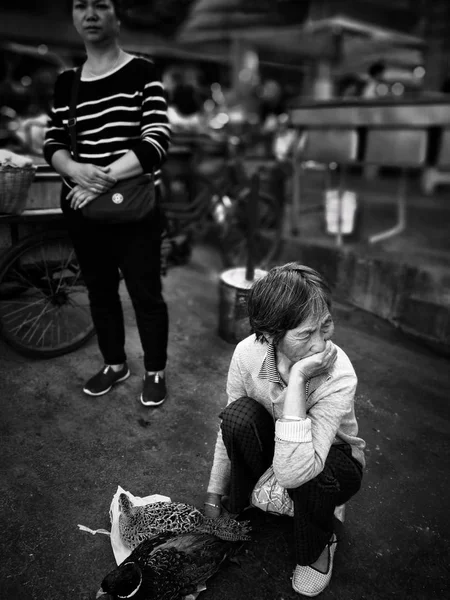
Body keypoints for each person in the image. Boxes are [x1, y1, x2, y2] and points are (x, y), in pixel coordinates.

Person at [204, 263, 365, 597]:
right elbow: (229, 429)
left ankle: (319, 544)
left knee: (312, 475)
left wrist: (300, 379)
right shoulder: (246, 355)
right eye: (306, 334)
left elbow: (296, 470)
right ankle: (250, 498)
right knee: (238, 416)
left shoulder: (338, 373)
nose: (321, 345)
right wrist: (214, 489)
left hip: (331, 460)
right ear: (271, 334)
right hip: (278, 452)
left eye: (326, 325)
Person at [43, 0, 171, 406]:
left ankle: (155, 370)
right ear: (74, 17)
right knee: (100, 292)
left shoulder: (142, 72)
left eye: (101, 5)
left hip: (135, 209)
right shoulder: (67, 81)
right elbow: (53, 142)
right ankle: (115, 365)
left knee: (145, 293)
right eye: (82, 5)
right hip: (83, 209)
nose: (91, 13)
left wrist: (101, 178)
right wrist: (74, 169)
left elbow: (156, 141)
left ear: (117, 16)